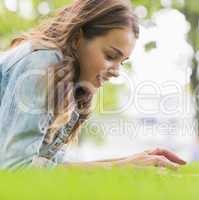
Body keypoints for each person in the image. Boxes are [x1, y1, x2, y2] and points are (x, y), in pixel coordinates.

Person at [0, 0, 186, 170]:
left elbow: (45, 167)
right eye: (110, 56)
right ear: (77, 38)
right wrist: (118, 168)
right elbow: (15, 169)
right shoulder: (42, 64)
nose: (116, 71)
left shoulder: (68, 84)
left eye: (121, 62)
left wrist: (130, 162)